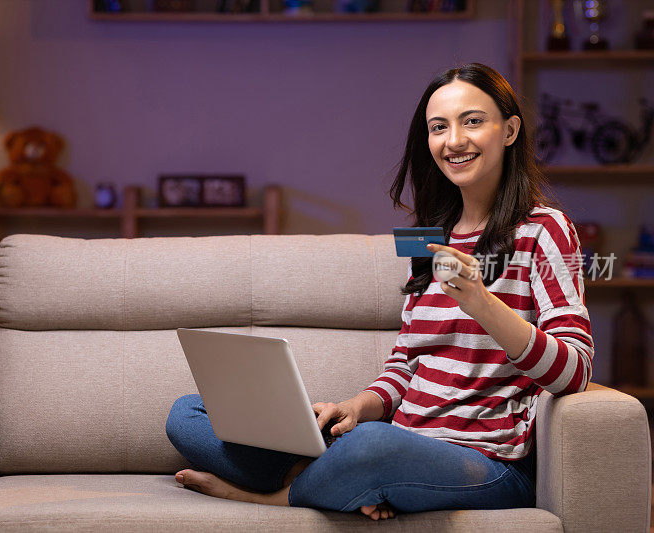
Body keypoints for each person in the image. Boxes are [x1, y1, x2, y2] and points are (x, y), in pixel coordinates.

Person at [165, 62, 594, 521]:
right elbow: (406, 365)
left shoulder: (544, 229)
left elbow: (575, 372)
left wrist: (482, 302)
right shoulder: (430, 238)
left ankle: (274, 496)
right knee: (187, 414)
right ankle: (330, 476)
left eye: (472, 121)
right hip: (401, 442)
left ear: (509, 130)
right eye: (438, 127)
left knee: (374, 445)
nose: (454, 141)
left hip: (486, 463)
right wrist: (357, 406)